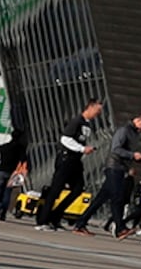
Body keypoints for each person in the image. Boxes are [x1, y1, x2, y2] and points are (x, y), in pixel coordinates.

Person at [75, 111, 141, 236]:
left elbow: (126, 151)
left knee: (101, 199)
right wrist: (132, 155)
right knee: (117, 198)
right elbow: (116, 148)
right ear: (139, 120)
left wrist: (138, 158)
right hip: (114, 166)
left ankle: (80, 223)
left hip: (120, 167)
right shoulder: (124, 131)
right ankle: (120, 228)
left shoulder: (135, 133)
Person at [35, 97, 102, 232]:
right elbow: (65, 139)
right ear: (90, 107)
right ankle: (43, 220)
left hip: (76, 160)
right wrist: (82, 148)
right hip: (67, 158)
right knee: (56, 189)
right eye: (97, 110)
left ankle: (56, 216)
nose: (98, 114)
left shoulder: (87, 124)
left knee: (78, 189)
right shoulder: (76, 121)